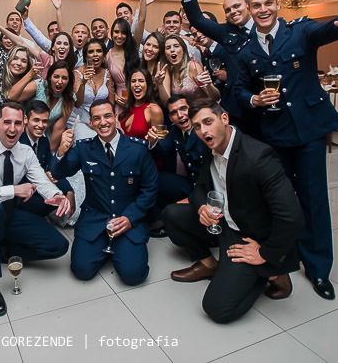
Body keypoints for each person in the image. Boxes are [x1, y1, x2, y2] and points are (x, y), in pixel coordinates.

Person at [235, 0, 338, 300]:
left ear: (277, 4)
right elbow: (239, 90)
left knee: (314, 199)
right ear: (250, 10)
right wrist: (255, 98)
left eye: (268, 3)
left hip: (310, 131)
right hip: (275, 134)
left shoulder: (300, 32)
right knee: (282, 201)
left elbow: (327, 30)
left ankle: (319, 269)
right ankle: (284, 258)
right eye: (256, 5)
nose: (262, 9)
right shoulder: (246, 52)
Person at [162, 99, 304, 324]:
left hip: (248, 237)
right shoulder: (211, 147)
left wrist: (266, 254)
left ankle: (274, 272)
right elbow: (199, 187)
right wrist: (201, 208)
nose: (203, 131)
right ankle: (208, 265)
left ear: (225, 118)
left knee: (217, 309)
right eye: (197, 126)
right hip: (223, 223)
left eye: (208, 122)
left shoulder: (259, 157)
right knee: (172, 214)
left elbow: (291, 216)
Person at [0, 102, 71, 316]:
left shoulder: (25, 152)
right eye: (7, 122)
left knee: (59, 246)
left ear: (23, 125)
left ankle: (3, 250)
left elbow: (42, 181)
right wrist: (12, 190)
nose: (12, 128)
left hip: (9, 214)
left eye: (18, 123)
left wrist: (56, 195)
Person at [52, 99, 158, 285]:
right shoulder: (84, 148)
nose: (103, 122)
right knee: (81, 270)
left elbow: (150, 189)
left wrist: (130, 218)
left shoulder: (137, 149)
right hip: (95, 219)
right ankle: (108, 246)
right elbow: (60, 172)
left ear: (116, 117)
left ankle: (121, 247)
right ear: (91, 123)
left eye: (107, 116)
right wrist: (61, 151)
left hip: (128, 220)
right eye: (97, 118)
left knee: (134, 275)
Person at [179, 0, 254, 130]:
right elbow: (197, 19)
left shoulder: (263, 28)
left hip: (263, 106)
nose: (233, 11)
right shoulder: (226, 32)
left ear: (249, 6)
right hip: (235, 107)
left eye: (237, 6)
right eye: (227, 10)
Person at [147, 95, 205, 224]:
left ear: (192, 109)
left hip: (206, 189)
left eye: (184, 109)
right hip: (190, 183)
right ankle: (160, 221)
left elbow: (213, 175)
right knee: (151, 178)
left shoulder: (203, 131)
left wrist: (192, 198)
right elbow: (162, 152)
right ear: (170, 118)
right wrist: (153, 142)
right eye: (174, 112)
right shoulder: (175, 131)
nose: (180, 115)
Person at [18, 100, 75, 218]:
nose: (41, 125)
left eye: (44, 121)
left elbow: (53, 167)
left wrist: (70, 191)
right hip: (21, 194)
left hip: (40, 187)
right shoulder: (18, 142)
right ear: (26, 119)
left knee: (63, 194)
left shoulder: (43, 141)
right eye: (36, 120)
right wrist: (44, 178)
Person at [21, 60, 80, 150]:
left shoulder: (69, 98)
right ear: (49, 77)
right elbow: (12, 96)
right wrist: (30, 75)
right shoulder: (39, 85)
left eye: (64, 78)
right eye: (56, 76)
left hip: (44, 135)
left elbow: (59, 128)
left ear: (69, 81)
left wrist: (49, 152)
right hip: (24, 130)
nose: (60, 81)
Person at [156, 35, 220, 105]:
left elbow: (215, 97)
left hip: (203, 111)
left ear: (183, 50)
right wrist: (160, 84)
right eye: (168, 48)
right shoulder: (169, 71)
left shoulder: (193, 67)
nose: (172, 50)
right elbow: (166, 102)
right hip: (185, 114)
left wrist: (209, 85)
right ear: (165, 54)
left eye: (176, 46)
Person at [73, 38, 115, 140]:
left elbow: (111, 102)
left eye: (99, 51)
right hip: (80, 120)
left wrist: (102, 120)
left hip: (101, 120)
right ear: (86, 55)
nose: (95, 54)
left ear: (104, 55)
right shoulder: (77, 73)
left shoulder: (108, 73)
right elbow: (78, 103)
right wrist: (83, 83)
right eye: (91, 52)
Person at [118, 68, 163, 140]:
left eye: (141, 81)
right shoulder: (129, 106)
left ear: (148, 85)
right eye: (133, 81)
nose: (136, 84)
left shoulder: (154, 110)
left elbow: (159, 142)